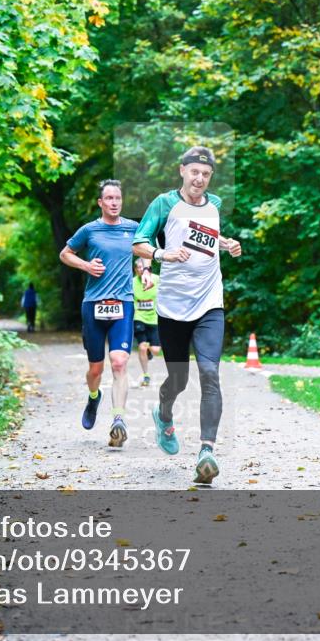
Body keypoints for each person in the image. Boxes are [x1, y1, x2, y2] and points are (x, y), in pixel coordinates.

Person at [132, 146, 242, 484]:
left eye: (206, 174)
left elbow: (205, 234)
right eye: (194, 172)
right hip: (172, 305)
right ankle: (163, 414)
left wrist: (225, 243)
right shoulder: (164, 204)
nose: (200, 179)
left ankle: (206, 451)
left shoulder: (217, 205)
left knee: (210, 372)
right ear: (182, 171)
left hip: (209, 301)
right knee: (178, 379)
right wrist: (164, 254)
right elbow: (139, 242)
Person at [59, 180, 138, 447]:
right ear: (100, 203)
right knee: (96, 369)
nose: (114, 202)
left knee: (119, 361)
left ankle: (119, 420)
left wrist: (146, 269)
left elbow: (145, 252)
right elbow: (65, 253)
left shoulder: (133, 229)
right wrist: (85, 265)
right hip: (94, 304)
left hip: (123, 304)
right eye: (109, 198)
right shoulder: (89, 230)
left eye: (118, 197)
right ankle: (94, 397)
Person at [132, 257, 161, 387]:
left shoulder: (157, 279)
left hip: (154, 317)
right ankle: (146, 375)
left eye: (142, 267)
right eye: (137, 267)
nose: (140, 270)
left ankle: (149, 352)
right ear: (135, 270)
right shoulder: (131, 282)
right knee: (142, 347)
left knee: (155, 350)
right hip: (139, 317)